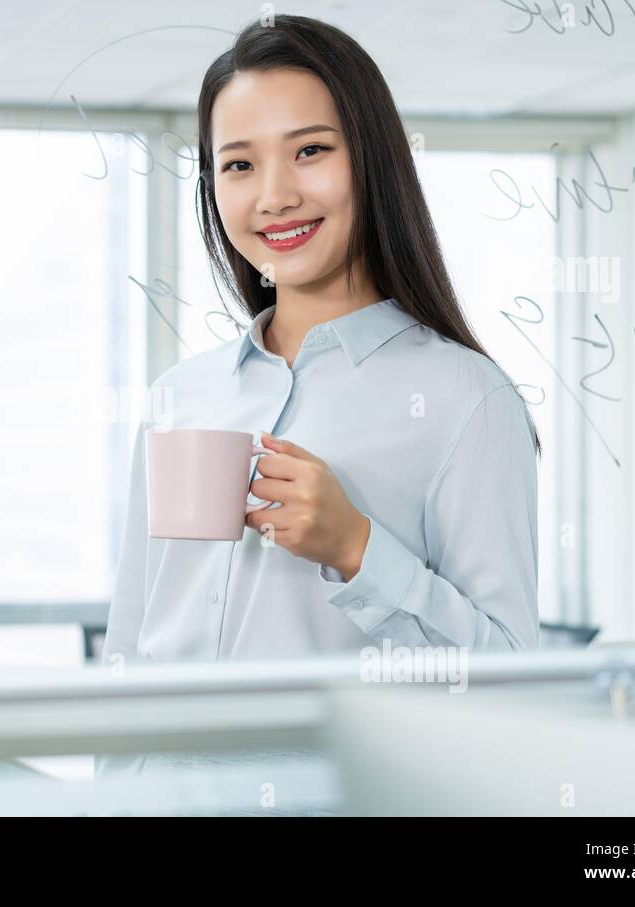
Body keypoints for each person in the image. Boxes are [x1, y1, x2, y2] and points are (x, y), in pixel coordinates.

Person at [96, 15, 541, 789]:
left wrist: (358, 548)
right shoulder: (180, 397)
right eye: (238, 165)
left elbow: (508, 686)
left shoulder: (467, 401)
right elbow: (132, 648)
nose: (274, 195)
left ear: (371, 161)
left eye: (310, 150)